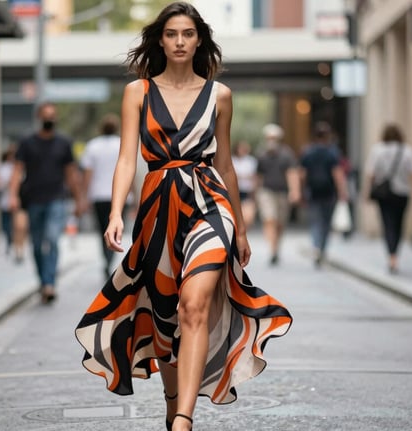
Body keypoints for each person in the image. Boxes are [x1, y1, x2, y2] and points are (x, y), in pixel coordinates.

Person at [74, 4, 292, 431]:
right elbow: (126, 159)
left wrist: (240, 229)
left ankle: (183, 422)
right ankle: (173, 402)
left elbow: (225, 165)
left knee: (195, 304)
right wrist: (116, 212)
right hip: (158, 210)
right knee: (166, 316)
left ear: (198, 40)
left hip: (210, 205)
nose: (179, 42)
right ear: (160, 40)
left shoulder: (220, 95)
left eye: (187, 34)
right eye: (171, 34)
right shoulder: (137, 92)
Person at [8, 102, 86, 304]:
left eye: (52, 115)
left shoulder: (64, 143)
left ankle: (50, 283)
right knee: (36, 244)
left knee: (51, 239)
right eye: (46, 115)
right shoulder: (27, 142)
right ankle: (43, 281)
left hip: (56, 199)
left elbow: (71, 174)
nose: (49, 119)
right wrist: (13, 195)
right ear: (39, 117)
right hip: (33, 199)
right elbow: (17, 170)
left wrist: (79, 200)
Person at [363, 124, 412, 274]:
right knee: (399, 224)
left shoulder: (377, 150)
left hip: (384, 194)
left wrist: (367, 193)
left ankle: (391, 257)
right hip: (402, 193)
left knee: (387, 224)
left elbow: (371, 174)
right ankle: (395, 254)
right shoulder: (407, 151)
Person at [299, 121, 349, 268]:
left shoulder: (308, 152)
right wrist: (342, 192)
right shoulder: (332, 153)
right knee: (326, 222)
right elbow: (337, 174)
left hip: (313, 191)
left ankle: (316, 246)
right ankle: (322, 248)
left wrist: (301, 191)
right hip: (329, 192)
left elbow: (302, 174)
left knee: (315, 221)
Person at [80, 114, 121, 276]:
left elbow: (88, 174)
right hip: (119, 195)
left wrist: (84, 195)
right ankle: (110, 259)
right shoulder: (121, 144)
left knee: (102, 229)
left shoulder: (92, 146)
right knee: (116, 228)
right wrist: (133, 194)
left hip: (98, 195)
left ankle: (106, 258)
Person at [255, 123, 301, 265]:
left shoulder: (286, 154)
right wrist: (255, 193)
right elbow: (258, 176)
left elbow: (292, 173)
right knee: (270, 219)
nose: (271, 140)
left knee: (280, 222)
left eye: (274, 137)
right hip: (266, 192)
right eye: (269, 137)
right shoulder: (261, 154)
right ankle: (273, 250)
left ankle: (276, 246)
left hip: (282, 192)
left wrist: (295, 191)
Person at [0, 145, 26, 263]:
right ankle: (11, 245)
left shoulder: (22, 167)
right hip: (6, 201)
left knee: (20, 226)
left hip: (21, 201)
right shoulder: (4, 168)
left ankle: (19, 249)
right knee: (7, 225)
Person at [231, 140, 258, 231]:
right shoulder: (232, 160)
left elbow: (254, 177)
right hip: (235, 191)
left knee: (248, 217)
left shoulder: (251, 161)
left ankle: (244, 232)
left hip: (247, 191)